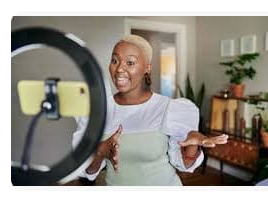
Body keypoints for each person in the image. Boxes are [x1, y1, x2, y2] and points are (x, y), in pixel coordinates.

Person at [73, 35, 228, 185]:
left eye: (130, 62)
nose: (119, 68)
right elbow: (89, 172)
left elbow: (185, 165)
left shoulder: (169, 108)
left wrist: (193, 145)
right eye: (115, 61)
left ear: (147, 68)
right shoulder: (99, 110)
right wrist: (100, 151)